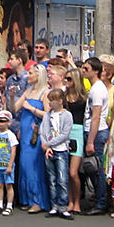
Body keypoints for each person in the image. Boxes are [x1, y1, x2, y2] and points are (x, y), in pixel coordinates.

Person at [15, 64, 49, 213]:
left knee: (32, 165)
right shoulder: (28, 91)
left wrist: (32, 108)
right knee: (23, 164)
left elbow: (48, 114)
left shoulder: (45, 93)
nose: (28, 76)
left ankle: (37, 200)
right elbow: (14, 108)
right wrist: (11, 96)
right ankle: (27, 198)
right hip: (24, 131)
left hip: (35, 132)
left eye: (30, 73)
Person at [81, 57, 110, 215]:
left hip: (96, 132)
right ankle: (99, 199)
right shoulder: (95, 87)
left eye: (87, 69)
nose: (83, 71)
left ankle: (101, 203)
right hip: (92, 130)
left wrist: (90, 141)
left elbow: (96, 116)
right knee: (92, 168)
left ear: (96, 71)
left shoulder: (98, 89)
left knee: (96, 168)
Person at [40, 88, 74, 220]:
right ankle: (54, 206)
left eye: (52, 100)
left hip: (61, 150)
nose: (49, 103)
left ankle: (63, 206)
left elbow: (65, 134)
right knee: (52, 179)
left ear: (60, 101)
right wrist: (46, 146)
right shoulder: (47, 116)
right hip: (49, 151)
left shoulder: (67, 115)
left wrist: (50, 143)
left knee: (62, 179)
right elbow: (43, 132)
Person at [64, 68, 88, 214]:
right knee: (67, 172)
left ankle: (77, 201)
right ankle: (70, 201)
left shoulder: (84, 98)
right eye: (66, 78)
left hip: (78, 131)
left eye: (69, 79)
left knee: (74, 172)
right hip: (65, 132)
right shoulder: (64, 96)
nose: (66, 81)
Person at [0, 109, 18, 215]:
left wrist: (10, 165)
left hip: (7, 165)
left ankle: (9, 205)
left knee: (8, 185)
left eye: (2, 121)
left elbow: (13, 150)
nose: (0, 123)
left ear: (8, 122)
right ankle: (0, 205)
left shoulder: (10, 135)